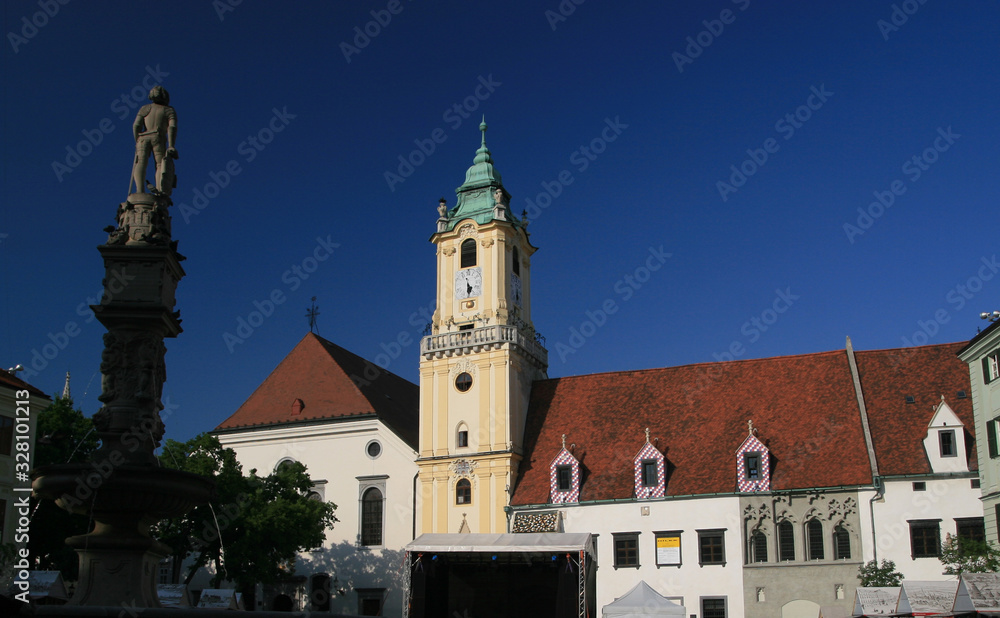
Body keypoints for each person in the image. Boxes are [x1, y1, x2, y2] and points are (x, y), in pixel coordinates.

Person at [131, 86, 177, 196]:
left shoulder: (145, 108)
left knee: (141, 162)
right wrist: (171, 145)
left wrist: (137, 139)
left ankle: (139, 190)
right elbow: (172, 127)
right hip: (158, 137)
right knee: (161, 164)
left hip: (143, 138)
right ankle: (160, 190)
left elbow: (136, 125)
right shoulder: (168, 110)